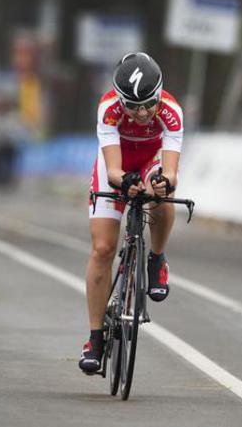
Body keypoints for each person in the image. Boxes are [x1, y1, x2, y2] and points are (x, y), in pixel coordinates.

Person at [79, 52, 184, 374]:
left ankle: (156, 257)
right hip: (118, 163)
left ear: (159, 94)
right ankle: (95, 339)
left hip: (152, 159)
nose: (142, 113)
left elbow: (171, 172)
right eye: (133, 106)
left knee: (162, 194)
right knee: (102, 248)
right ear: (120, 99)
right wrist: (125, 181)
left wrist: (162, 183)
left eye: (149, 104)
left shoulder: (172, 112)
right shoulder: (108, 108)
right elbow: (113, 171)